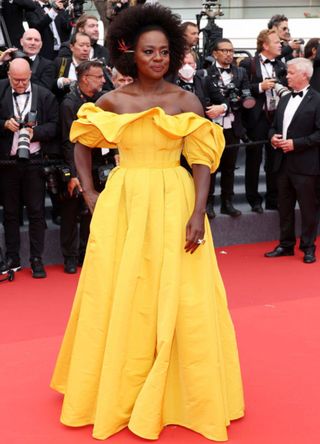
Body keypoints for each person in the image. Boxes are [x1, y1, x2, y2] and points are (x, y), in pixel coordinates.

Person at [50, 4, 244, 442]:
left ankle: (180, 391)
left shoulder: (186, 100)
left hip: (175, 201)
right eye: (147, 51)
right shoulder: (112, 101)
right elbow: (81, 143)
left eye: (162, 52)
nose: (156, 58)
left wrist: (197, 213)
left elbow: (200, 162)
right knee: (122, 289)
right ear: (129, 54)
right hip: (124, 202)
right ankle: (118, 383)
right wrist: (90, 191)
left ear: (172, 54)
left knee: (182, 293)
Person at [0, 58, 59, 277]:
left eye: (24, 80)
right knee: (11, 213)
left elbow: (54, 125)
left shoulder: (44, 95)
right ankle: (13, 258)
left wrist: (35, 132)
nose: (21, 85)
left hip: (35, 162)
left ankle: (37, 259)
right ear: (8, 76)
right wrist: (4, 124)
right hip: (7, 162)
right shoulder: (1, 90)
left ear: (30, 76)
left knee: (36, 212)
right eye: (16, 81)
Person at [265, 58, 320, 264]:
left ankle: (308, 247)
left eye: (290, 73)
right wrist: (272, 137)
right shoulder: (286, 99)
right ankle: (286, 244)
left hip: (306, 165)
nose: (286, 76)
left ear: (305, 75)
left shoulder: (317, 100)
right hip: (283, 163)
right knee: (285, 207)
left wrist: (296, 144)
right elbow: (274, 126)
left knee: (308, 208)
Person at [59, 60, 109, 274]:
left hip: (98, 163)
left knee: (93, 212)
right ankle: (69, 257)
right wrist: (74, 175)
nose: (103, 80)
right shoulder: (69, 104)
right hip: (75, 165)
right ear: (85, 79)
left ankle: (86, 254)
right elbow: (67, 143)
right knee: (71, 214)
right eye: (99, 77)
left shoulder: (102, 100)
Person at [240, 29, 287, 212]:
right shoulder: (248, 63)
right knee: (254, 158)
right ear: (265, 45)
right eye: (276, 42)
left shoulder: (282, 66)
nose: (280, 44)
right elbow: (242, 88)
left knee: (275, 159)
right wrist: (260, 86)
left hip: (276, 117)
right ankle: (254, 200)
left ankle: (272, 198)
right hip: (257, 118)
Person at [205, 38, 251, 218]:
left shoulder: (241, 72)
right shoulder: (205, 73)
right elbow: (204, 99)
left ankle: (227, 202)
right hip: (212, 126)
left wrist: (226, 106)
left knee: (230, 166)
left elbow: (246, 98)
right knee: (210, 167)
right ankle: (208, 203)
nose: (229, 54)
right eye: (224, 50)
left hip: (233, 125)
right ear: (215, 53)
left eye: (231, 51)